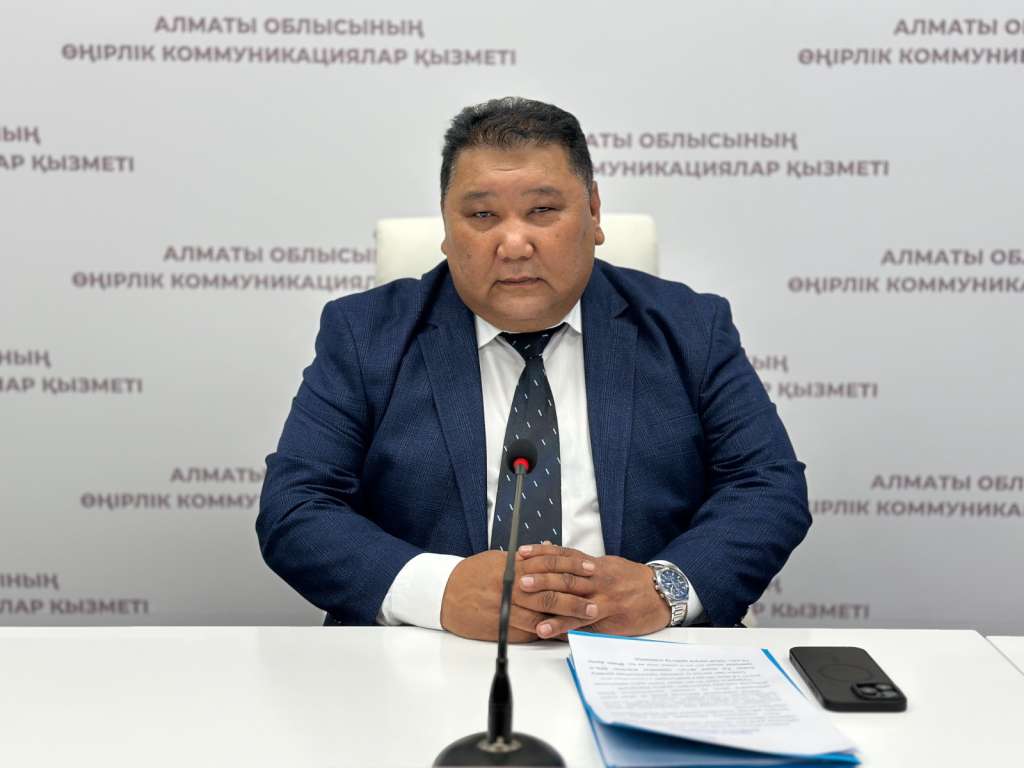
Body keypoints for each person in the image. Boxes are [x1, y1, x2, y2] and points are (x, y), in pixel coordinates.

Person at [256, 97, 810, 641]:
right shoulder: (365, 334)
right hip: (430, 648)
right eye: (482, 215)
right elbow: (297, 506)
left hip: (639, 650)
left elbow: (766, 485)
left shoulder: (691, 327)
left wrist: (663, 590)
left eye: (543, 211)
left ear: (594, 212)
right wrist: (441, 591)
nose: (514, 243)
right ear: (446, 228)